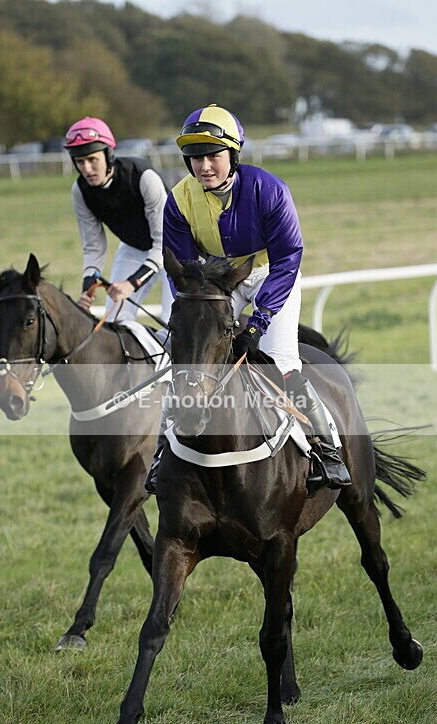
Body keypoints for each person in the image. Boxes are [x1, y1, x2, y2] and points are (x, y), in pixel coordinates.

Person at [145, 103, 350, 494]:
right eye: (195, 158)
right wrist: (192, 316)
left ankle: (327, 448)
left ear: (233, 155)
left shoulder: (269, 189)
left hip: (271, 276)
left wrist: (258, 321)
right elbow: (182, 270)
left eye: (213, 156)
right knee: (187, 361)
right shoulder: (178, 201)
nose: (204, 166)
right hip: (217, 284)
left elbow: (289, 257)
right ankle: (160, 453)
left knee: (282, 364)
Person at [64, 116, 173, 321]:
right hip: (133, 248)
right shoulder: (80, 191)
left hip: (176, 248)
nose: (86, 169)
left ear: (108, 154)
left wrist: (132, 283)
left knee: (173, 324)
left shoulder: (143, 177)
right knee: (115, 320)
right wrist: (88, 289)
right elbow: (93, 245)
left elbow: (163, 243)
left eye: (92, 160)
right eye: (80, 162)